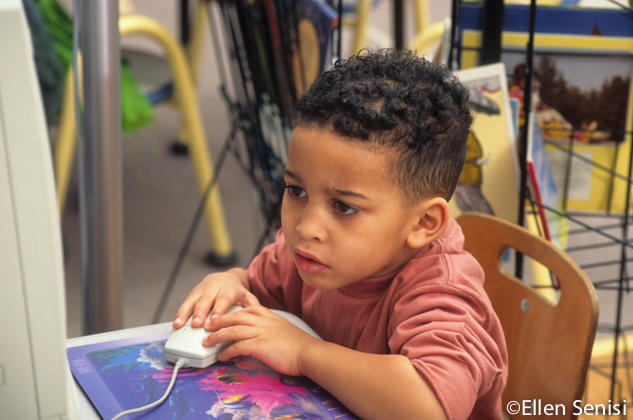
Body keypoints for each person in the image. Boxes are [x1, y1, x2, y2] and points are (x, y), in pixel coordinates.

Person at [173, 49, 508, 420]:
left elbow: (427, 407)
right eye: (296, 191)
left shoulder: (443, 290)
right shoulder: (307, 254)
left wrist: (303, 353)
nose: (306, 227)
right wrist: (230, 281)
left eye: (344, 207)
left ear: (423, 224)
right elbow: (258, 289)